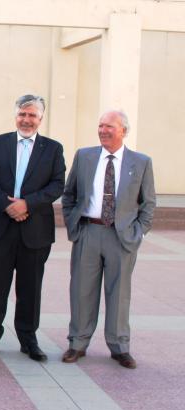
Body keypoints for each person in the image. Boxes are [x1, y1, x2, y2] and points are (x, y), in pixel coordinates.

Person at [60, 110, 155, 369]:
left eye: (109, 126)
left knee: (120, 293)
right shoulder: (85, 156)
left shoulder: (141, 162)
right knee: (81, 291)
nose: (103, 130)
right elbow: (69, 195)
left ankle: (119, 346)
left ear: (123, 130)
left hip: (121, 237)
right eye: (100, 125)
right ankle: (77, 343)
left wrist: (137, 232)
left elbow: (149, 204)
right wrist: (74, 227)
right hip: (88, 233)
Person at [0, 94, 65, 362]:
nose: (26, 120)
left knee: (30, 288)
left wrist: (27, 204)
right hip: (2, 226)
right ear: (15, 115)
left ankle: (28, 339)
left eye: (32, 115)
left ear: (41, 118)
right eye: (22, 114)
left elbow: (57, 184)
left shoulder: (52, 148)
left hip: (35, 229)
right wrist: (7, 205)